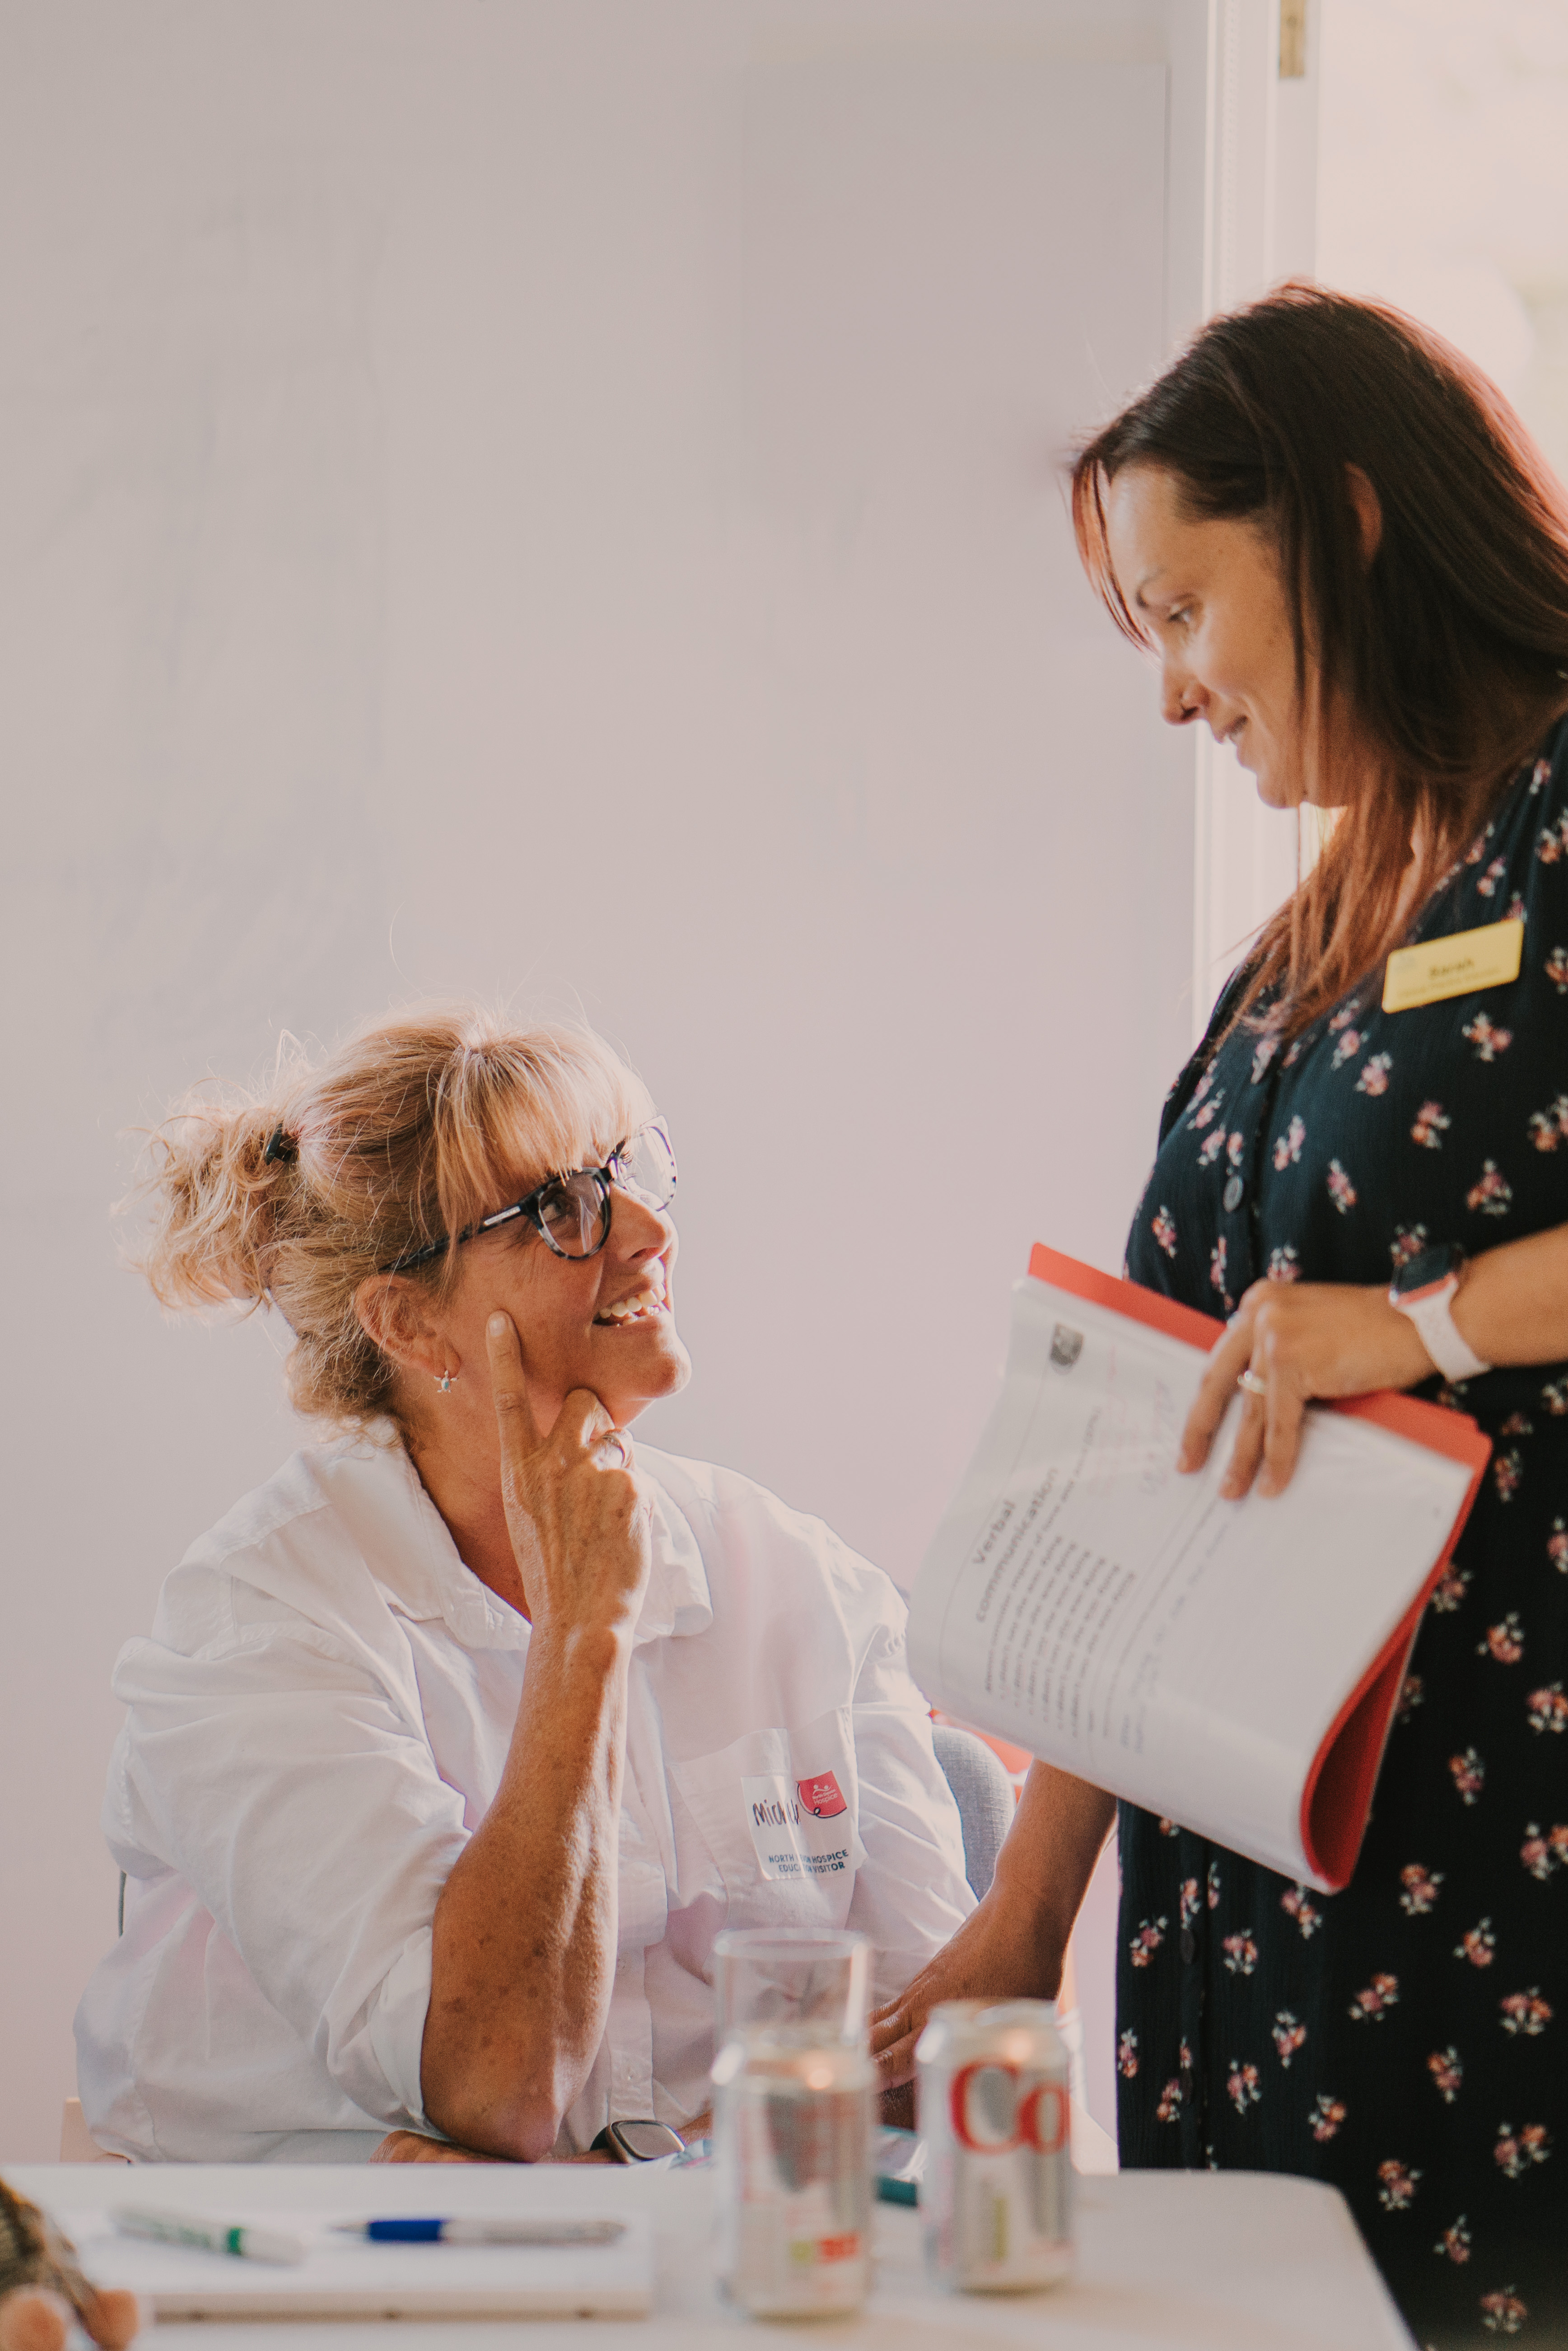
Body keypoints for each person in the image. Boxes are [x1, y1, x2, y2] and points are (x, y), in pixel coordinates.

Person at [870, 287, 1568, 2344]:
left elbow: (1358, 1332)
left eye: (1184, 610)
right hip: (1256, 1892)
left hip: (1500, 1850)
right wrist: (1028, 1905)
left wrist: (1421, 1324)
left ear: (1348, 524)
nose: (1174, 692)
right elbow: (1156, 1417)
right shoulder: (1332, 922)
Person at [75, 1007, 974, 2163]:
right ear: (410, 1320)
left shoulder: (796, 1577)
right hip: (331, 2284)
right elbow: (495, 2083)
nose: (649, 1230)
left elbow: (934, 2062)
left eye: (632, 1166)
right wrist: (579, 1636)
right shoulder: (258, 1622)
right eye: (561, 1207)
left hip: (716, 2268)